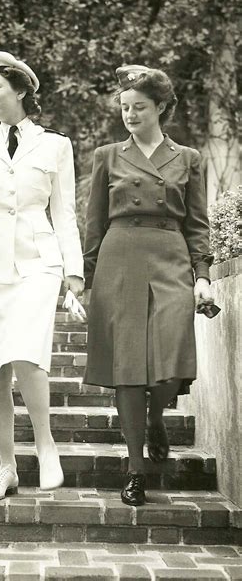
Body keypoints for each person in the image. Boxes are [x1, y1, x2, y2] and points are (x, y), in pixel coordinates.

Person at [0, 51, 84, 500]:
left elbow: (65, 213)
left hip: (37, 263)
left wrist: (74, 271)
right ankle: (6, 466)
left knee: (27, 352)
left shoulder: (55, 145)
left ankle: (45, 444)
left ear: (21, 90)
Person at [83, 65, 214, 506]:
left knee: (171, 352)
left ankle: (157, 413)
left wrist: (204, 276)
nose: (130, 114)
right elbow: (94, 221)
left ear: (161, 107)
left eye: (139, 107)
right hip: (119, 258)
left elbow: (197, 223)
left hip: (170, 256)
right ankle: (135, 468)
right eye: (124, 107)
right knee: (127, 367)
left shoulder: (189, 158)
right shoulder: (107, 155)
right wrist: (85, 278)